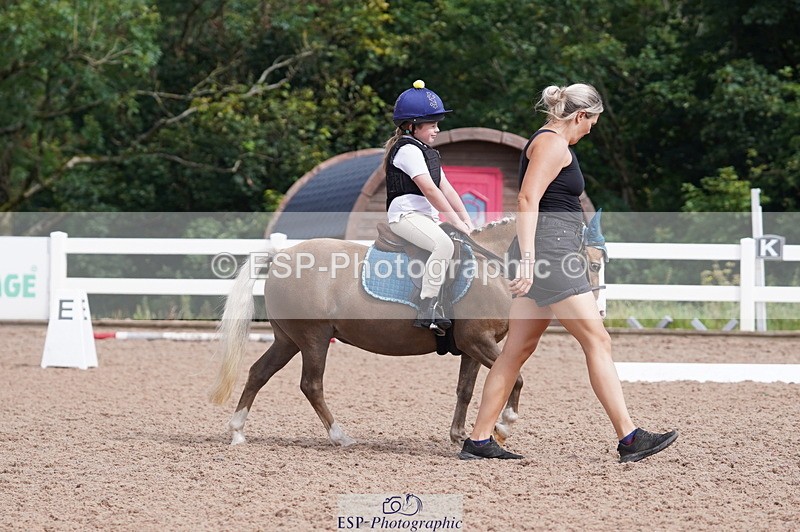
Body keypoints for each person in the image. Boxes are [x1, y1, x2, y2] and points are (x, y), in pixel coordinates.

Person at [459, 83, 678, 463]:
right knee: (597, 340)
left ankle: (478, 440)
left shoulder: (548, 142)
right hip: (553, 255)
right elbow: (527, 199)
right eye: (592, 121)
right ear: (580, 115)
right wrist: (529, 260)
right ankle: (629, 438)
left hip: (549, 252)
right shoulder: (553, 144)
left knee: (515, 351)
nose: (591, 129)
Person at [384, 80, 475, 336]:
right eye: (432, 125)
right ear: (412, 126)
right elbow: (430, 191)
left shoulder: (427, 152)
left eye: (437, 124)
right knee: (443, 245)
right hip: (406, 216)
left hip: (425, 218)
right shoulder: (407, 150)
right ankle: (428, 305)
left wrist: (468, 221)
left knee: (460, 244)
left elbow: (448, 189)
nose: (437, 130)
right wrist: (455, 222)